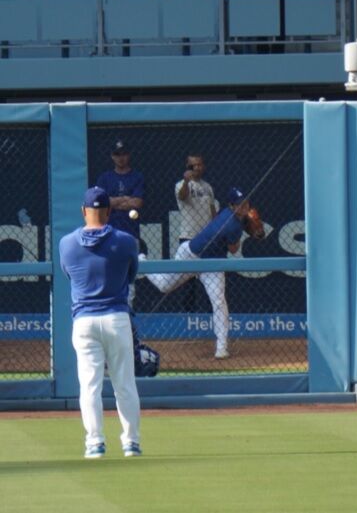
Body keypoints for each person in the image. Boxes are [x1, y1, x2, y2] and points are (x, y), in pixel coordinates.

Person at [59, 186, 141, 459]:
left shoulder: (67, 243)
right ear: (108, 211)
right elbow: (130, 277)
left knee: (90, 385)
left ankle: (95, 443)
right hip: (116, 317)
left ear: (84, 211)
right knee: (124, 384)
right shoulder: (126, 242)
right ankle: (131, 443)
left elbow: (69, 275)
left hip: (84, 321)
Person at [141, 187, 250, 360]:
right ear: (231, 206)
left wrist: (244, 224)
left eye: (245, 203)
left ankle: (221, 347)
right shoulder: (233, 224)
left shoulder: (229, 216)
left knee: (219, 300)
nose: (244, 207)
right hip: (190, 256)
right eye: (239, 204)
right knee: (164, 287)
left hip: (211, 266)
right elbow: (234, 249)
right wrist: (245, 229)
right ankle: (142, 262)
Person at [174, 155, 216, 311]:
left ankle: (207, 314)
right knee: (187, 281)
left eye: (199, 164)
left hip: (207, 238)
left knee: (210, 278)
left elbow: (212, 212)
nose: (197, 168)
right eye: (193, 165)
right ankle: (188, 315)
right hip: (188, 237)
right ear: (187, 167)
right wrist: (186, 181)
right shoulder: (181, 185)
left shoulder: (208, 187)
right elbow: (182, 196)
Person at [97, 140, 145, 243]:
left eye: (124, 154)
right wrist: (125, 198)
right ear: (112, 156)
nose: (121, 158)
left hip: (131, 230)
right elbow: (102, 203)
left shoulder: (137, 177)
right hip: (109, 230)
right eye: (117, 154)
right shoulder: (105, 178)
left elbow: (137, 203)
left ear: (129, 155)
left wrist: (112, 202)